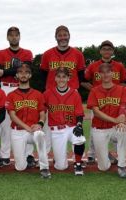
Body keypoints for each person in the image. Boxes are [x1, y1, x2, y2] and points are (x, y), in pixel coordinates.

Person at [40, 25, 86, 154]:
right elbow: (43, 74)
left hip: (72, 93)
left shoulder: (78, 54)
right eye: (60, 35)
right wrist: (47, 91)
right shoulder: (47, 54)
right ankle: (45, 155)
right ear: (56, 37)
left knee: (73, 125)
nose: (62, 37)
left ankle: (76, 157)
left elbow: (81, 75)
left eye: (65, 34)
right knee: (48, 127)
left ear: (69, 36)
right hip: (51, 94)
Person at [0, 26, 34, 166]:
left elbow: (27, 70)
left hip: (22, 87)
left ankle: (28, 154)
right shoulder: (0, 53)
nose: (13, 37)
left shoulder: (27, 53)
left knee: (28, 118)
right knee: (6, 122)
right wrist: (15, 69)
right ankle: (5, 155)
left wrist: (6, 71)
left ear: (19, 36)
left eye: (16, 35)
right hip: (6, 88)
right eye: (11, 35)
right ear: (7, 37)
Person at [84, 40, 126, 164]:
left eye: (109, 49)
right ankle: (92, 154)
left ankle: (118, 153)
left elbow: (125, 81)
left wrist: (118, 89)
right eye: (104, 49)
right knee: (95, 127)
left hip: (115, 99)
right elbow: (83, 80)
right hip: (98, 100)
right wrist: (94, 90)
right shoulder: (93, 65)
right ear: (100, 51)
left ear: (112, 51)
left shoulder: (119, 66)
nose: (107, 51)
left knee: (118, 127)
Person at [6, 62, 51, 178]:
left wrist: (40, 123)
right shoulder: (11, 95)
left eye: (26, 72)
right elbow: (12, 115)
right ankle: (26, 157)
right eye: (20, 72)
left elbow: (42, 113)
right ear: (17, 76)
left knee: (40, 134)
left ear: (30, 75)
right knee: (20, 167)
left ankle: (44, 168)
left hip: (33, 129)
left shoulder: (38, 94)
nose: (23, 75)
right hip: (18, 131)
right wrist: (27, 127)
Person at [87, 63, 126, 178]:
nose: (105, 74)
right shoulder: (94, 91)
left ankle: (121, 166)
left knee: (124, 130)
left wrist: (121, 121)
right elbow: (96, 112)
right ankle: (106, 155)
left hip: (114, 128)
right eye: (102, 72)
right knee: (104, 167)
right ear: (99, 74)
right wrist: (115, 119)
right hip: (99, 129)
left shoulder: (121, 89)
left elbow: (123, 107)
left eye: (108, 71)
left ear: (113, 73)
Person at [44, 67, 86, 175]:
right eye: (58, 76)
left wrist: (79, 124)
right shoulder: (48, 93)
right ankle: (59, 158)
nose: (61, 79)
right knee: (61, 167)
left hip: (71, 127)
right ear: (55, 78)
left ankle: (77, 163)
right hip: (56, 130)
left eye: (64, 77)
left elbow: (79, 113)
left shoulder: (75, 93)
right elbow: (41, 110)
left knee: (79, 138)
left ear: (68, 78)